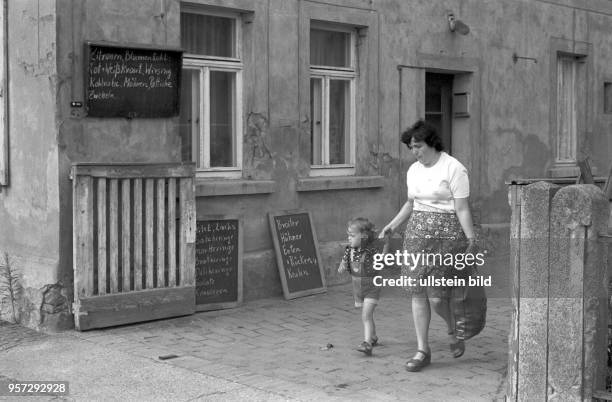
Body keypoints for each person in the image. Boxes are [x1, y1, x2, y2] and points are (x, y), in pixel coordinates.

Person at [380, 120, 477, 372]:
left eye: (418, 146)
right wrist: (392, 225)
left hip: (446, 237)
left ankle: (452, 328)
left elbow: (462, 207)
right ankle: (423, 349)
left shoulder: (454, 168)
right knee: (417, 292)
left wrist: (471, 238)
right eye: (411, 148)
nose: (415, 152)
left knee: (436, 297)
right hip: (417, 235)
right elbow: (410, 203)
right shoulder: (413, 170)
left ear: (432, 143)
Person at [338, 217, 382, 356]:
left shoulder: (370, 250)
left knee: (366, 315)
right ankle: (373, 337)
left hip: (371, 287)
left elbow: (380, 254)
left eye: (352, 235)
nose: (349, 238)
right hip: (358, 288)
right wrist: (343, 265)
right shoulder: (349, 250)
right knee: (368, 315)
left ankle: (367, 344)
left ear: (363, 236)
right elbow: (345, 260)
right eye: (348, 235)